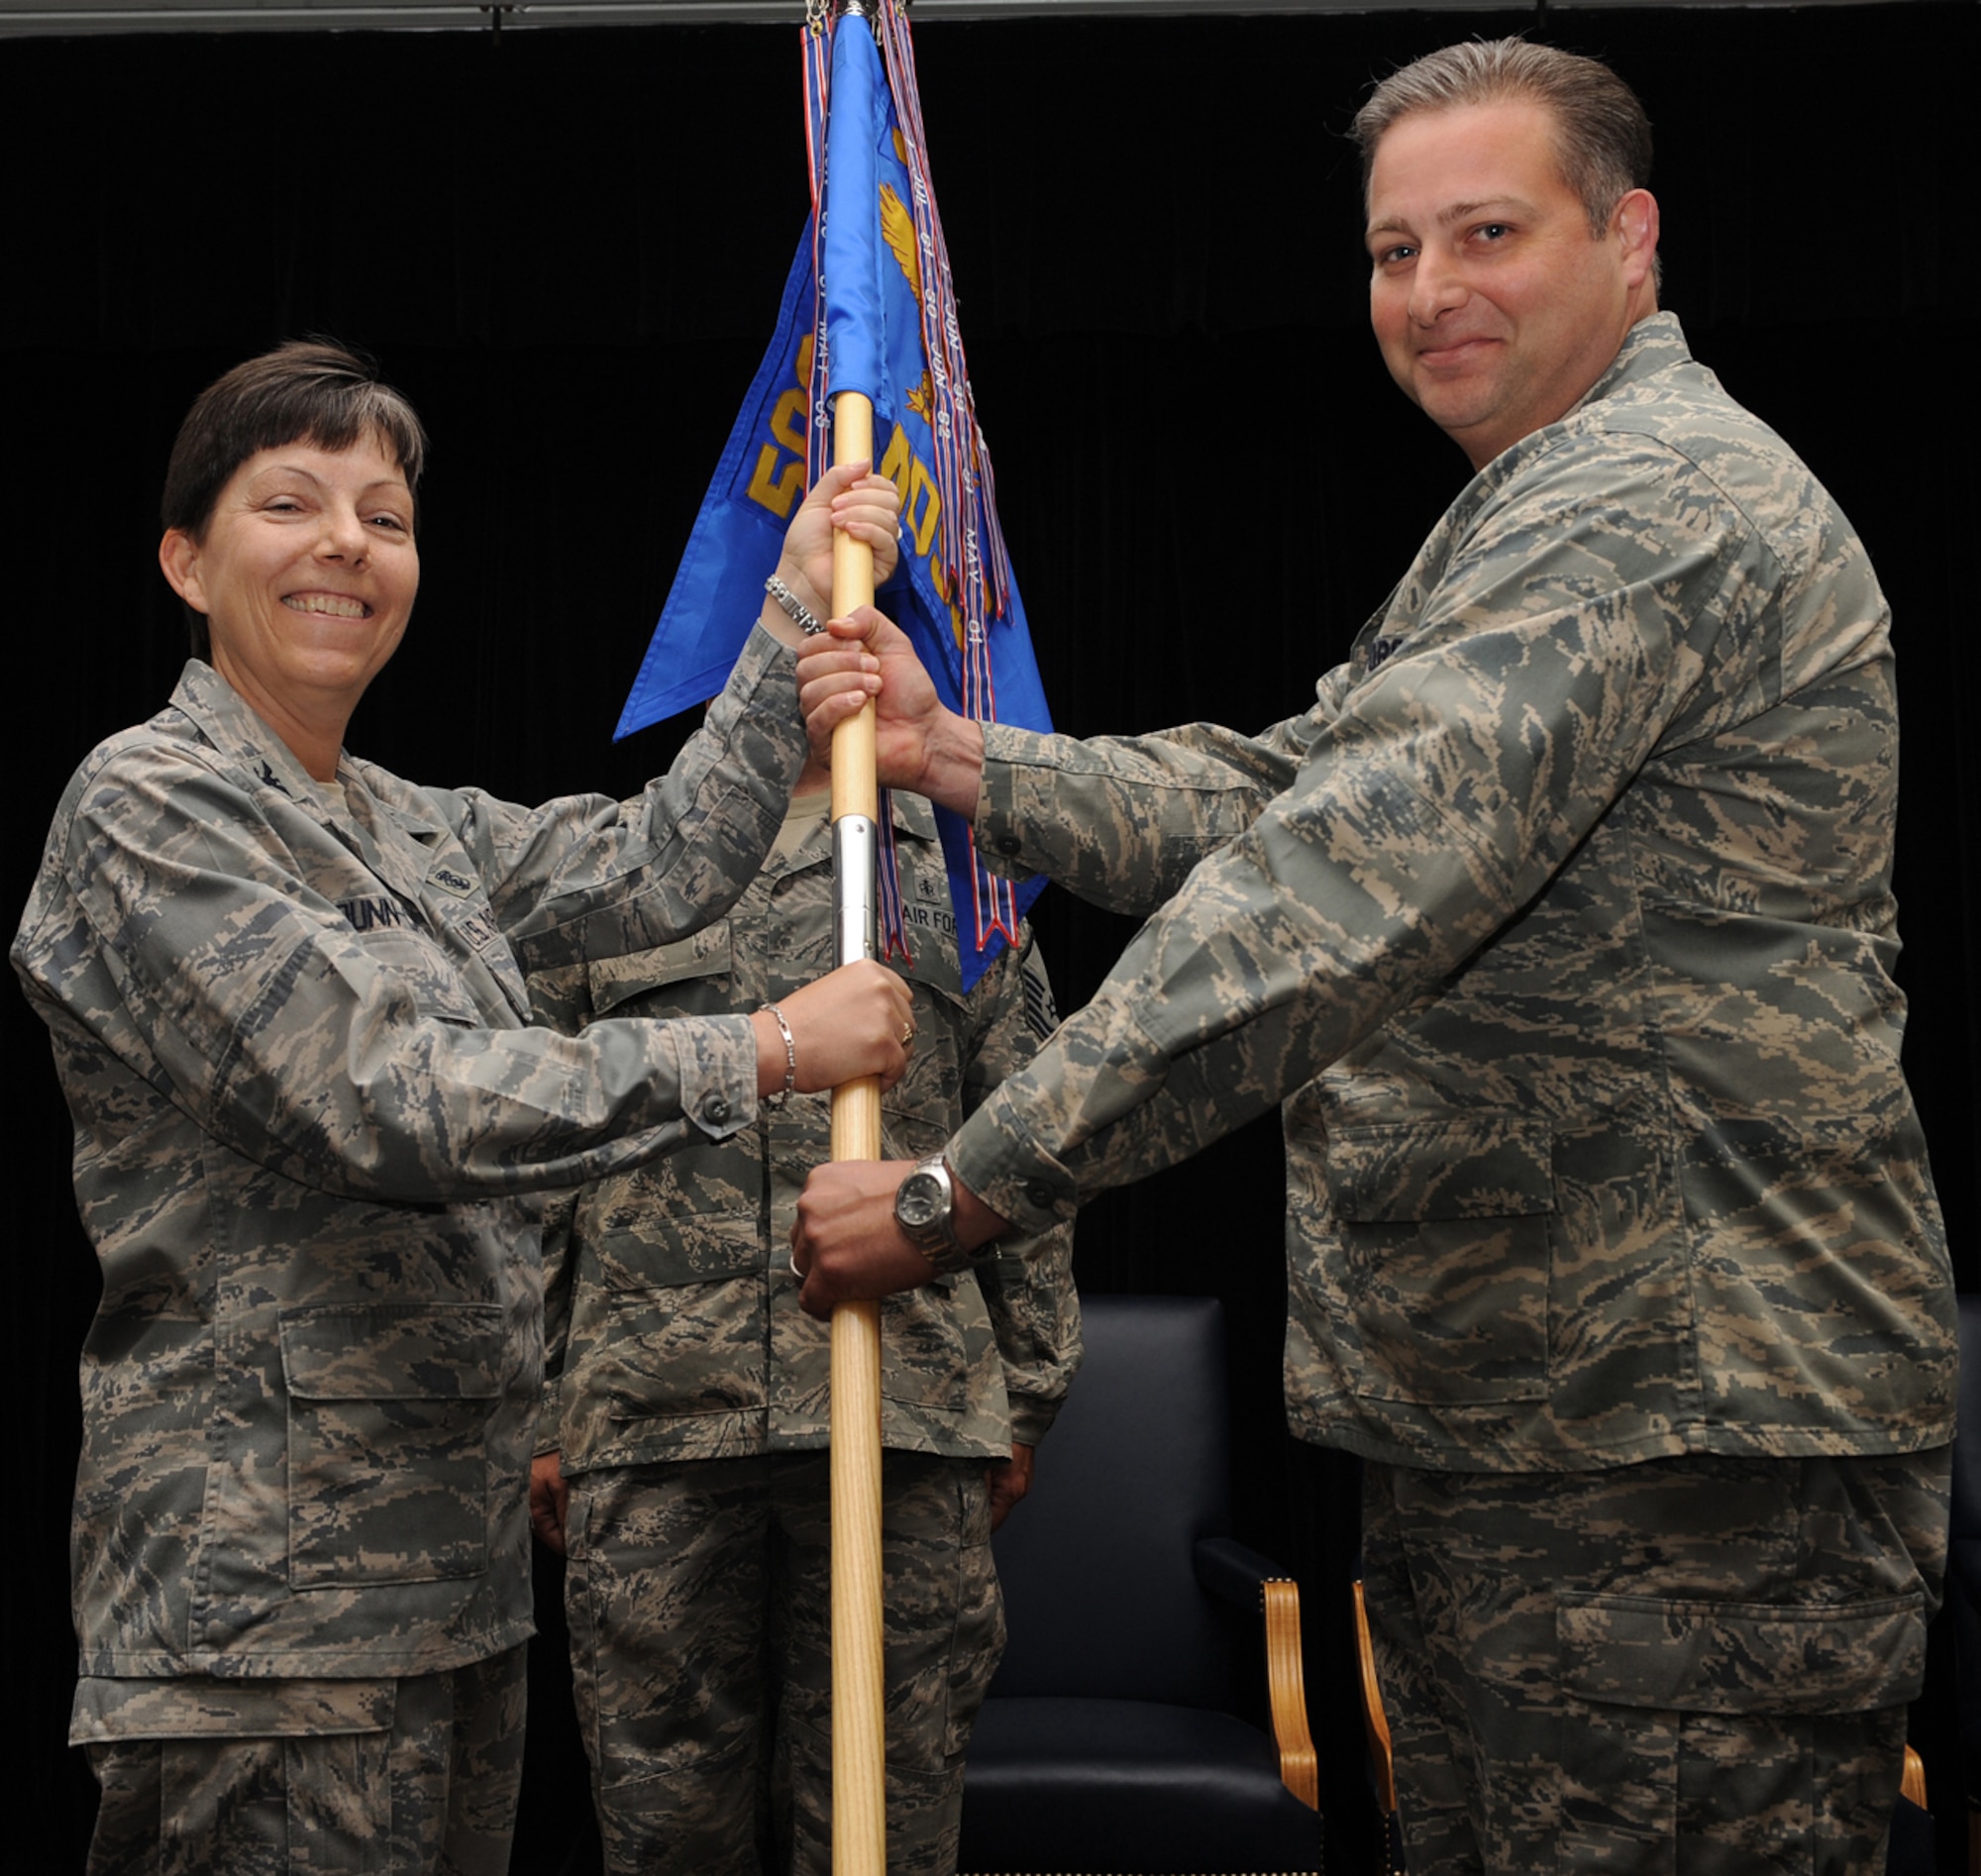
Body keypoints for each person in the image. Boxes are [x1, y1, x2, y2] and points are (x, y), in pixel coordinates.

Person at [789, 40, 1954, 1876]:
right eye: (1394, 251)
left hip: (1677, 1453)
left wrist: (959, 1189)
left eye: (1488, 231)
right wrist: (959, 760)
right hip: (1548, 1428)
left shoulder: (1640, 505)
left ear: (1630, 238)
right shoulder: (1528, 509)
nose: (1430, 292)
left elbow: (1326, 892)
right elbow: (1281, 790)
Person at [11, 339, 913, 1876]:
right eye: (292, 502)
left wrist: (786, 611)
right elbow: (390, 1097)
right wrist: (759, 1048)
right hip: (268, 1618)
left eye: (387, 514)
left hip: (451, 1583)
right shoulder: (148, 803)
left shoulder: (406, 824)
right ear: (183, 558)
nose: (348, 545)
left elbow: (656, 868)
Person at [527, 746, 1080, 1876]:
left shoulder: (965, 877)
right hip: (653, 1416)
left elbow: (1034, 1142)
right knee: (665, 1834)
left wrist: (1025, 1394)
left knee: (884, 1828)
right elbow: (536, 1157)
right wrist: (533, 1410)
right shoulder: (607, 864)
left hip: (906, 1414)